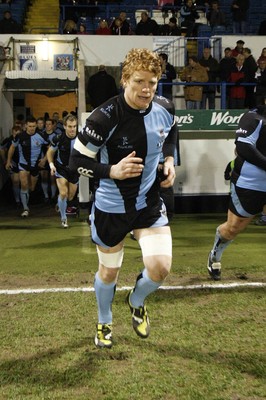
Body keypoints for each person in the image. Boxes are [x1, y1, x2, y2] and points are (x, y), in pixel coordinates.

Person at [69, 48, 177, 348]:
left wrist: (169, 161)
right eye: (140, 81)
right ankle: (104, 321)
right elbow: (74, 161)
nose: (146, 89)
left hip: (149, 204)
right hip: (111, 207)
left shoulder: (165, 107)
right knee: (109, 271)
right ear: (124, 80)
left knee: (160, 268)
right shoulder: (103, 118)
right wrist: (111, 170)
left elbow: (170, 133)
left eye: (153, 83)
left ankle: (136, 300)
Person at [207, 105, 266, 280]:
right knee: (233, 228)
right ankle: (215, 254)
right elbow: (244, 148)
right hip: (250, 182)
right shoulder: (253, 118)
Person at [5, 116, 49, 217]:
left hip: (35, 166)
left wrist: (45, 159)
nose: (32, 128)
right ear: (26, 126)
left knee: (31, 188)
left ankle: (26, 198)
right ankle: (25, 208)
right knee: (23, 184)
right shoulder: (20, 136)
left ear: (36, 126)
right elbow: (12, 147)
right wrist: (8, 161)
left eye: (34, 126)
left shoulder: (41, 135)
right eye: (30, 126)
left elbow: (50, 147)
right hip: (23, 164)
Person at [47, 114, 79, 228]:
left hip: (75, 170)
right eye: (70, 126)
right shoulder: (58, 138)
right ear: (64, 126)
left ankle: (59, 203)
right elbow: (50, 152)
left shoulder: (82, 138)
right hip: (61, 168)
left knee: (69, 196)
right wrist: (51, 165)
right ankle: (63, 219)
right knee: (63, 193)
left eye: (74, 126)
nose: (72, 129)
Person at [0, 125, 21, 207]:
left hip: (24, 163)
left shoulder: (24, 139)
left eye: (18, 134)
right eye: (14, 134)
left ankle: (24, 199)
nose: (16, 136)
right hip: (13, 162)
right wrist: (6, 161)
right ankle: (17, 200)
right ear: (12, 133)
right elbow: (1, 148)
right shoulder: (8, 140)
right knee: (15, 181)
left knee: (24, 182)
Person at [39, 118, 57, 203]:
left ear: (53, 125)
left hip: (53, 160)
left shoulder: (56, 136)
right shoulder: (41, 135)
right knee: (44, 177)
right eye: (46, 124)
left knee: (52, 178)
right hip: (42, 159)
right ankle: (46, 196)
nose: (47, 126)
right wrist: (42, 160)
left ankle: (53, 196)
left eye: (49, 124)